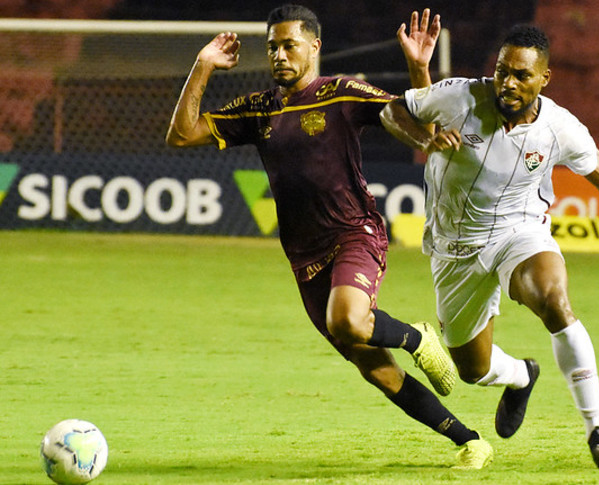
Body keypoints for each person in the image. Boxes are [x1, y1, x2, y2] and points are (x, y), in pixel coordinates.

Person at [165, 5, 494, 470]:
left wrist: (418, 72)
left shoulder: (341, 92)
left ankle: (417, 338)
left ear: (314, 47)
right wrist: (203, 66)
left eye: (289, 45)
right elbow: (182, 135)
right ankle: (470, 440)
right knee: (377, 370)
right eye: (272, 47)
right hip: (305, 259)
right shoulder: (259, 109)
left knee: (349, 320)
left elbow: (411, 118)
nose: (279, 55)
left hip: (354, 234)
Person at [380, 24, 599, 469]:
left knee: (554, 300)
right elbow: (394, 111)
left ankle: (598, 431)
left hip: (519, 232)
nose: (508, 83)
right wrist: (425, 137)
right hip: (454, 247)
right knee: (472, 370)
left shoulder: (560, 128)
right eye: (502, 72)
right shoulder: (461, 96)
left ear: (545, 78)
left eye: (521, 75)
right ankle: (520, 375)